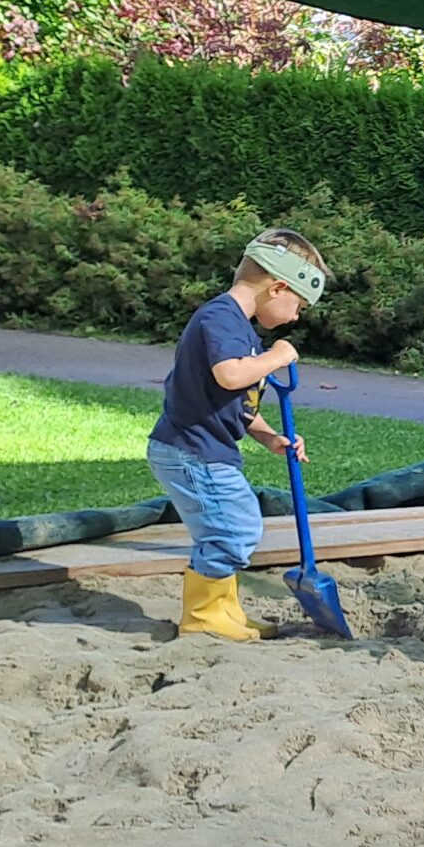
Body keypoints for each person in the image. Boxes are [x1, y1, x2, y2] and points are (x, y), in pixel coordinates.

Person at [146, 229, 327, 643]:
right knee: (234, 530)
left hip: (201, 447)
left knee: (228, 529)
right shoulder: (221, 319)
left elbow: (236, 404)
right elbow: (230, 376)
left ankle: (224, 609)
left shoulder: (238, 329)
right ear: (277, 288)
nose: (296, 318)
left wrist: (270, 437)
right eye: (298, 306)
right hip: (192, 450)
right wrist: (276, 357)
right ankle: (204, 615)